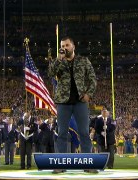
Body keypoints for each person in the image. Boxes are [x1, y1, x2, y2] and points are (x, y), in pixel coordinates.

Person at [48, 36, 97, 174]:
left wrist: (89, 94)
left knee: (84, 133)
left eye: (67, 45)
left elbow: (93, 78)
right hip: (63, 103)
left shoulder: (83, 61)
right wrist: (58, 59)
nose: (64, 48)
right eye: (62, 46)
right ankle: (60, 165)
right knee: (62, 133)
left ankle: (88, 164)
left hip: (80, 102)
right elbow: (50, 73)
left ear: (73, 46)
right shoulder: (59, 62)